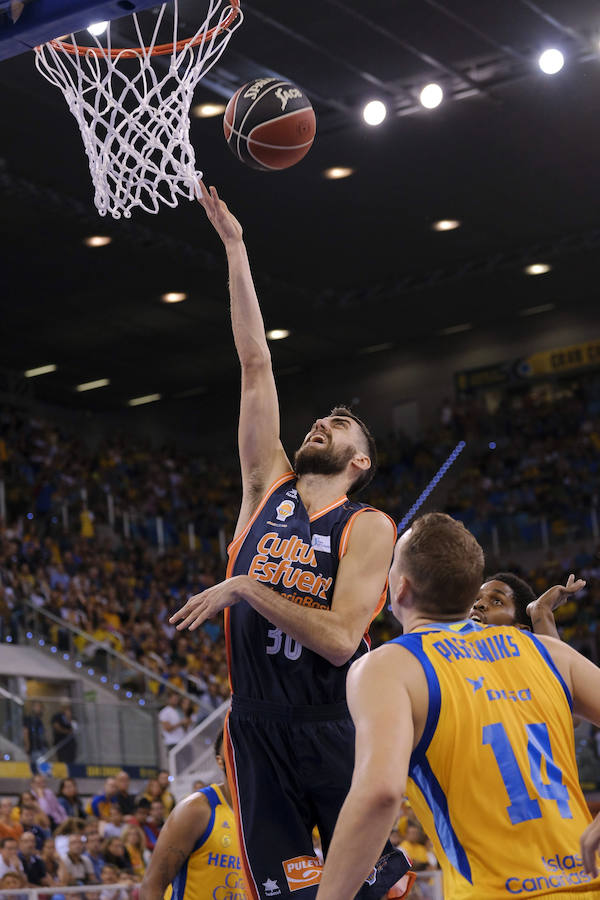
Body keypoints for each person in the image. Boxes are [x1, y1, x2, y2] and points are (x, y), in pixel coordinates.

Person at [170, 185, 412, 899]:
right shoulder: (263, 488)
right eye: (322, 419)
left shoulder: (368, 528)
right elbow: (254, 363)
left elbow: (341, 640)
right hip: (255, 729)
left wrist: (247, 585)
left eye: (341, 426)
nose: (322, 425)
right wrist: (236, 249)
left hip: (332, 723)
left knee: (371, 891)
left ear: (359, 463)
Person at [315, 512, 600, 899]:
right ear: (471, 595)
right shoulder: (549, 651)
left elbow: (380, 794)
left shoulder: (386, 666)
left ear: (399, 589)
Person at [139, 730, 246, 900]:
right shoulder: (196, 809)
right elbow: (151, 888)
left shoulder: (261, 818)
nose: (243, 758)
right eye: (235, 751)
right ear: (220, 761)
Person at [22, 701, 48, 774]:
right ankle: (37, 777)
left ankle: (44, 776)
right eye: (37, 706)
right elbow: (25, 731)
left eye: (40, 707)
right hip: (34, 748)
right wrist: (27, 745)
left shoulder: (39, 720)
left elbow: (42, 734)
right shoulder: (29, 719)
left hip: (42, 748)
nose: (39, 709)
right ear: (33, 708)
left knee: (44, 768)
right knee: (35, 768)